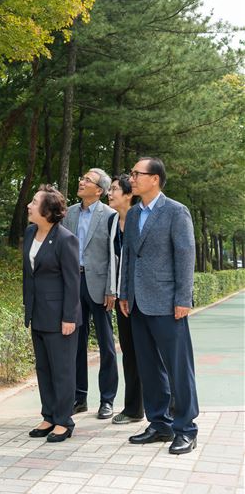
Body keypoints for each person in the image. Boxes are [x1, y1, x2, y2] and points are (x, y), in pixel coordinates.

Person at [119, 157, 199, 455]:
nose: (132, 178)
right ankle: (159, 424)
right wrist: (125, 292)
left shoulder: (176, 212)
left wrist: (182, 298)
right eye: (132, 173)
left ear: (155, 179)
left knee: (178, 367)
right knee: (149, 367)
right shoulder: (134, 213)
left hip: (167, 303)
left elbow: (185, 256)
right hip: (138, 303)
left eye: (137, 174)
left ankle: (186, 428)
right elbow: (128, 256)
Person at [23, 185, 81, 442]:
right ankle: (48, 416)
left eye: (34, 202)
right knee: (44, 368)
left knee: (62, 370)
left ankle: (63, 420)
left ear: (47, 210)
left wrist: (69, 316)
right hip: (38, 313)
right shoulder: (29, 233)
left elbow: (72, 282)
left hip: (60, 317)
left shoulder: (65, 239)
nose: (29, 205)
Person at [63, 169, 118, 419]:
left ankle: (107, 400)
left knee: (107, 345)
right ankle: (79, 397)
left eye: (87, 180)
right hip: (74, 283)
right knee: (76, 343)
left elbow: (113, 255)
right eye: (81, 177)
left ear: (99, 190)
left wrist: (111, 289)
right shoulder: (70, 213)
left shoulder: (109, 215)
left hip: (99, 286)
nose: (81, 181)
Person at [107, 174, 144, 425]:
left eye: (114, 189)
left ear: (129, 194)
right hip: (123, 297)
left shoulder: (141, 217)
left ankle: (170, 405)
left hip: (145, 296)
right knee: (129, 353)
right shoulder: (111, 221)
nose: (109, 193)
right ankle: (133, 408)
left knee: (154, 353)